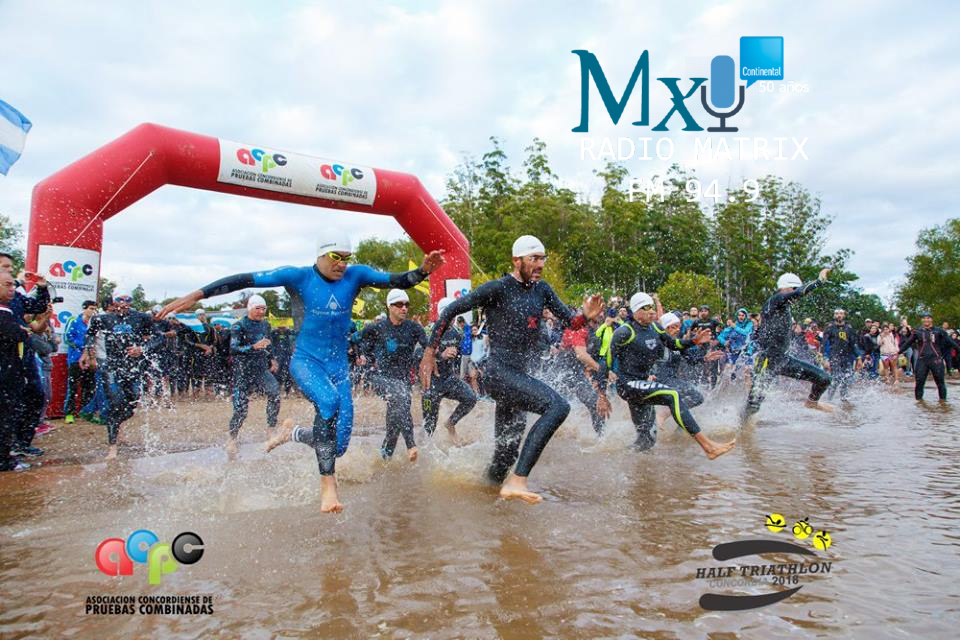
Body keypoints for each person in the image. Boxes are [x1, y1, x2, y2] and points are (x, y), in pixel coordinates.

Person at [159, 232, 444, 513]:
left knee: (339, 446)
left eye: (346, 258)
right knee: (329, 401)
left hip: (338, 368)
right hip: (306, 362)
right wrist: (197, 295)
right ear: (320, 255)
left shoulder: (356, 275)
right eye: (335, 257)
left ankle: (292, 433)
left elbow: (397, 280)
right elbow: (245, 279)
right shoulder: (298, 277)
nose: (342, 264)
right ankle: (328, 486)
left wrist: (422, 271)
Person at [420, 235, 604, 504]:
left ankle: (486, 499)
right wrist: (429, 353)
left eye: (542, 258)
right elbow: (450, 311)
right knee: (558, 407)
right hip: (499, 374)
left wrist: (585, 316)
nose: (540, 264)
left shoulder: (543, 290)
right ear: (517, 261)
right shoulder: (497, 288)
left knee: (504, 457)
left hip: (517, 379)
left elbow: (570, 322)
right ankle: (518, 481)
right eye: (534, 258)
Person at [608, 296, 735, 457]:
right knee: (673, 395)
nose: (651, 311)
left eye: (652, 307)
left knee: (646, 441)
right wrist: (602, 394)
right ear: (636, 311)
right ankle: (708, 447)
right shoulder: (625, 332)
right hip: (629, 384)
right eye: (646, 308)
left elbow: (675, 345)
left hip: (643, 385)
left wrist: (694, 342)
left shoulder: (655, 328)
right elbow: (607, 360)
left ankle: (615, 457)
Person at [744, 270, 834, 419]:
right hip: (767, 360)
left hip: (783, 360)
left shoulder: (783, 306)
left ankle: (812, 402)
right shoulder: (776, 299)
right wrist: (819, 281)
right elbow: (799, 292)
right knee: (753, 406)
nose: (794, 294)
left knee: (824, 379)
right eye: (793, 289)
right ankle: (740, 429)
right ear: (785, 287)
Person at [83, 291, 162, 459]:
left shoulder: (141, 318)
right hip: (111, 367)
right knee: (114, 403)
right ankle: (112, 447)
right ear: (114, 302)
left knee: (131, 405)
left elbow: (159, 338)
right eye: (120, 300)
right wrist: (90, 354)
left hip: (133, 368)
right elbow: (89, 335)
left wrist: (142, 349)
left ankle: (116, 424)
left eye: (128, 300)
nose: (124, 303)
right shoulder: (103, 319)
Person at [356, 288, 428, 461]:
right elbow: (356, 341)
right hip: (380, 378)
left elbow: (429, 348)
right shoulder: (376, 328)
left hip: (403, 381)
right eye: (399, 304)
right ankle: (411, 445)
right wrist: (362, 357)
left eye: (406, 305)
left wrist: (441, 354)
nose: (404, 308)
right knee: (399, 396)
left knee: (394, 425)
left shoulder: (414, 328)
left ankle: (384, 460)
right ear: (390, 306)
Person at [0, 252, 51, 458]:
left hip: (23, 354)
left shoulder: (15, 296)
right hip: (5, 355)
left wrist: (42, 287)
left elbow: (38, 307)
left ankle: (21, 442)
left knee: (35, 395)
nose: (10, 271)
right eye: (5, 267)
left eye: (11, 268)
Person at [226, 295, 280, 459]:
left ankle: (270, 430)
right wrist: (253, 347)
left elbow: (268, 344)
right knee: (241, 410)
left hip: (261, 369)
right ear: (250, 308)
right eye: (258, 308)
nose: (261, 312)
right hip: (243, 372)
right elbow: (233, 349)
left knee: (275, 393)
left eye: (264, 309)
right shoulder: (239, 326)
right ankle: (232, 438)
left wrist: (272, 359)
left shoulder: (265, 325)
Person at [421, 297, 478, 445]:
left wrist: (469, 368)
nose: (452, 319)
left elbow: (460, 355)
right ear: (441, 314)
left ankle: (451, 423)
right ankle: (425, 451)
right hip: (431, 384)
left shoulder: (456, 333)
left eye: (454, 314)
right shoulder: (429, 331)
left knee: (471, 398)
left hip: (449, 380)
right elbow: (419, 355)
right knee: (428, 427)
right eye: (449, 314)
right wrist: (441, 356)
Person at [0, 270, 31, 471]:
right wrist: (22, 332)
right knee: (5, 416)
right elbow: (14, 333)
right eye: (8, 285)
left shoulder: (8, 309)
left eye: (14, 284)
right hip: (5, 374)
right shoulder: (3, 312)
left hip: (10, 372)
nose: (13, 289)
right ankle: (4, 460)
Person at [897, 312, 960, 401]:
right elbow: (908, 343)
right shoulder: (917, 331)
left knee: (940, 383)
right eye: (924, 318)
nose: (926, 320)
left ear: (931, 319)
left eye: (928, 318)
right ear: (922, 320)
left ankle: (943, 403)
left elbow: (950, 342)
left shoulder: (939, 331)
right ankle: (919, 403)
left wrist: (958, 349)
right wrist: (898, 352)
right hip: (922, 360)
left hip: (936, 360)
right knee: (919, 383)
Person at [63, 300, 98, 422]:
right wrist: (83, 347)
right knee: (72, 387)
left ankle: (86, 412)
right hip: (75, 358)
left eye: (95, 309)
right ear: (84, 309)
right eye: (91, 308)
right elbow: (67, 338)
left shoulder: (95, 323)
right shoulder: (74, 320)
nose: (93, 311)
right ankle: (69, 413)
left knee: (89, 386)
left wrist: (91, 353)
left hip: (90, 359)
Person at [822, 309, 860, 402]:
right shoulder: (829, 328)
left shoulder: (849, 328)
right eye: (837, 313)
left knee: (847, 378)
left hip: (847, 357)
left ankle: (844, 399)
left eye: (841, 313)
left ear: (844, 315)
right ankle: (829, 399)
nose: (839, 315)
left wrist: (858, 357)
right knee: (836, 378)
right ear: (834, 316)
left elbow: (853, 344)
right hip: (834, 356)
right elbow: (825, 344)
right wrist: (825, 358)